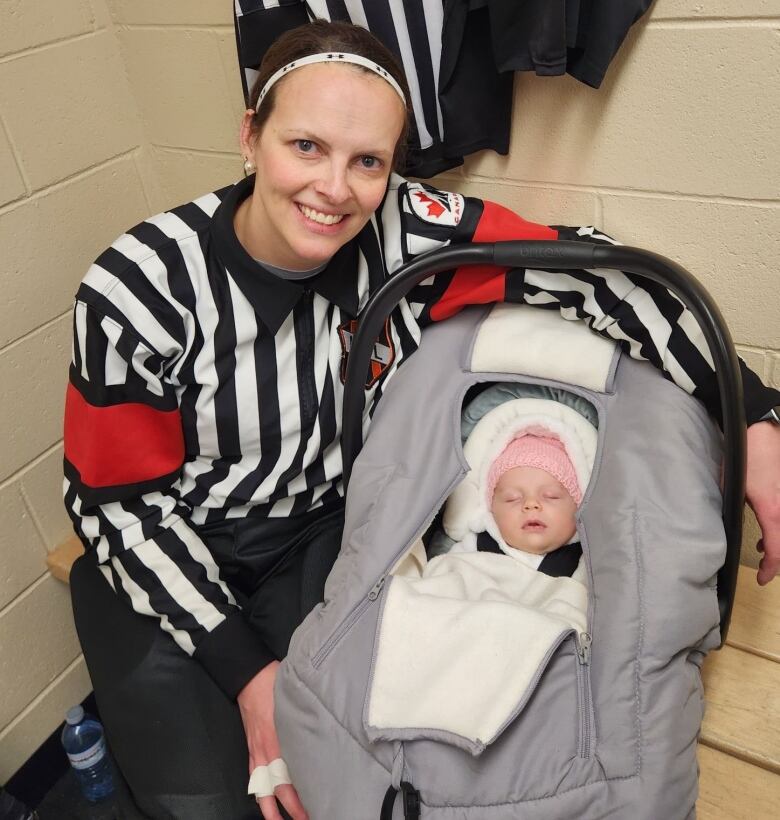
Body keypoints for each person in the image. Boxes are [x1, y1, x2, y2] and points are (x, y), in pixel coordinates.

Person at [63, 19, 780, 820]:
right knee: (209, 805)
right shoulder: (140, 288)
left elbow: (598, 276)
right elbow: (117, 508)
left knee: (353, 768)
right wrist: (250, 679)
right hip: (167, 555)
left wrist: (753, 419)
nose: (334, 188)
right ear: (249, 136)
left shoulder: (405, 229)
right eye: (305, 146)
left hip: (316, 534)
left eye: (367, 160)